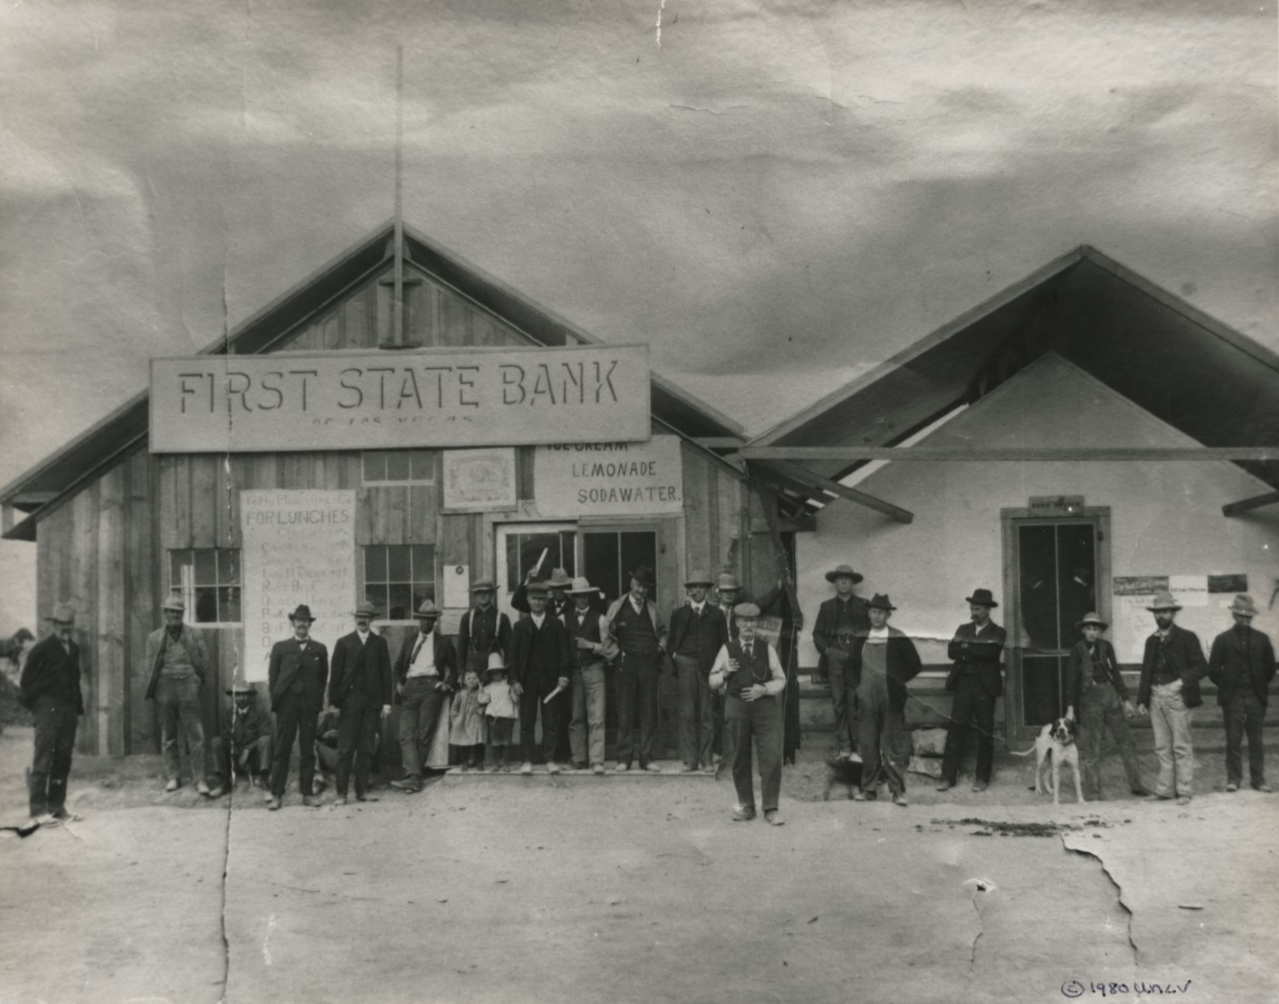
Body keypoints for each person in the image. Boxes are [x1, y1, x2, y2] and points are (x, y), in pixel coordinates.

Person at [708, 602, 787, 825]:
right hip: (737, 707)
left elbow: (781, 679)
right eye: (744, 621)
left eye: (752, 621)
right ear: (737, 623)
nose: (748, 625)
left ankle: (771, 808)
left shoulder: (766, 648)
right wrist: (724, 673)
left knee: (771, 757)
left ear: (757, 623)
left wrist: (764, 689)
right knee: (740, 758)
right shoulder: (727, 649)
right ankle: (746, 806)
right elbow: (712, 681)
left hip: (765, 709)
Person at [1062, 612, 1147, 800]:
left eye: (1096, 629)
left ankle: (1137, 785)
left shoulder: (1106, 647)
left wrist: (1125, 700)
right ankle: (1092, 793)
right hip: (1089, 699)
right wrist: (1070, 707)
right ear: (1083, 630)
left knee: (1126, 741)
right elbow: (1071, 680)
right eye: (1089, 628)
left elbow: (1115, 673)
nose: (1092, 632)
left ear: (1100, 631)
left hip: (1110, 696)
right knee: (1092, 747)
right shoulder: (1077, 650)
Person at [848, 594, 921, 807]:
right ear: (869, 613)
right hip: (866, 700)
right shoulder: (861, 637)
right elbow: (850, 667)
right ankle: (869, 790)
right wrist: (858, 688)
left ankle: (898, 792)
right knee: (869, 745)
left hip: (891, 700)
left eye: (881, 612)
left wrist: (896, 682)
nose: (876, 616)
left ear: (888, 614)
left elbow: (915, 665)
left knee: (892, 747)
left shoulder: (897, 637)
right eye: (873, 612)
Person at [1136, 590, 1206, 806]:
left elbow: (1202, 667)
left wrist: (1180, 682)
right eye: (1158, 612)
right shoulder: (1151, 641)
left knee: (1181, 746)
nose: (1161, 616)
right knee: (1162, 747)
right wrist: (1142, 700)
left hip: (1177, 698)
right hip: (1156, 698)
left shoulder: (1187, 637)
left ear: (1173, 613)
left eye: (1165, 611)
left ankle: (1184, 791)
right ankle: (1165, 790)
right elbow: (1146, 672)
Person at [20, 602, 86, 821]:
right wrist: (39, 709)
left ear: (72, 624)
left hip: (68, 711)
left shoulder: (74, 649)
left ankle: (57, 807)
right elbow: (26, 682)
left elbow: (75, 681)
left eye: (68, 624)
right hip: (47, 709)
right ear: (54, 624)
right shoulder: (42, 649)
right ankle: (38, 811)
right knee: (43, 758)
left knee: (63, 760)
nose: (64, 628)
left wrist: (76, 709)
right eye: (60, 624)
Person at [937, 589, 1007, 794]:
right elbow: (952, 651)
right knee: (956, 731)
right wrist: (972, 651)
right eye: (971, 608)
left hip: (985, 688)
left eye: (977, 609)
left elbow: (990, 652)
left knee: (985, 733)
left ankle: (982, 778)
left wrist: (966, 649)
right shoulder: (963, 628)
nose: (973, 612)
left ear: (987, 610)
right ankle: (947, 778)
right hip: (963, 685)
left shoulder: (998, 632)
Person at [144, 594, 213, 795]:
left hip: (188, 687)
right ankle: (173, 776)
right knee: (168, 735)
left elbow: (205, 660)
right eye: (171, 611)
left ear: (183, 613)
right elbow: (149, 667)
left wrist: (196, 681)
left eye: (178, 611)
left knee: (196, 735)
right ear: (165, 613)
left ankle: (200, 779)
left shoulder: (194, 634)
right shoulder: (154, 637)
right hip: (164, 688)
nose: (174, 614)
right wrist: (157, 688)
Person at [326, 600, 393, 805]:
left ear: (371, 620)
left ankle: (362, 791)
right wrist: (334, 703)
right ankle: (341, 793)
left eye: (366, 617)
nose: (362, 620)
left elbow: (385, 674)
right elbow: (335, 675)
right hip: (350, 702)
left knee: (366, 748)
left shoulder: (379, 643)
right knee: (345, 749)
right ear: (355, 619)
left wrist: (387, 703)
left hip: (372, 703)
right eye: (359, 617)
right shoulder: (344, 642)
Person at [1207, 594, 1276, 793]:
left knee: (1256, 740)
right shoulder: (1222, 640)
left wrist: (1258, 685)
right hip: (1233, 698)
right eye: (1241, 616)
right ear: (1234, 616)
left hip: (1256, 697)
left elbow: (1270, 668)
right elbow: (1213, 670)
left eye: (1248, 617)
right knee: (1233, 739)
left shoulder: (1262, 639)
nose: (1245, 620)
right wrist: (1228, 685)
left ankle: (1258, 780)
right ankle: (1233, 779)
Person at [605, 566, 669, 772]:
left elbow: (664, 633)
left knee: (648, 711)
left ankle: (646, 758)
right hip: (626, 665)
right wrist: (616, 655)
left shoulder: (653, 608)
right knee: (625, 711)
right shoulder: (617, 606)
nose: (641, 590)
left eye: (645, 587)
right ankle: (624, 759)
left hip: (648, 664)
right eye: (638, 585)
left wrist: (659, 648)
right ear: (631, 584)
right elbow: (606, 633)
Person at [267, 604, 330, 811]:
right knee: (282, 748)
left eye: (306, 620)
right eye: (298, 620)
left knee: (307, 750)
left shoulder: (319, 649)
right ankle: (276, 794)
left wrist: (314, 698)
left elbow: (322, 679)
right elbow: (273, 678)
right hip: (287, 705)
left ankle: (307, 793)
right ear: (293, 623)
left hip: (309, 705)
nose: (302, 624)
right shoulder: (280, 647)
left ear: (310, 624)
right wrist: (278, 699)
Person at [391, 599, 457, 793]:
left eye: (430, 620)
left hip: (431, 688)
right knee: (405, 734)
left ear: (435, 621)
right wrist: (399, 685)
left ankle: (412, 777)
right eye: (423, 619)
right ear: (418, 619)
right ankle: (415, 777)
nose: (426, 623)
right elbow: (397, 667)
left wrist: (446, 685)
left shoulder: (443, 643)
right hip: (410, 687)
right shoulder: (410, 640)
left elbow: (455, 669)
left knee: (423, 735)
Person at [508, 581, 572, 774]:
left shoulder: (555, 624)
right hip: (526, 679)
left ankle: (549, 759)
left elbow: (564, 652)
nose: (537, 603)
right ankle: (527, 759)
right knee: (527, 720)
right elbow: (512, 655)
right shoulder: (520, 626)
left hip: (550, 680)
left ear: (547, 601)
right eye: (534, 599)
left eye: (541, 599)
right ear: (528, 600)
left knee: (550, 720)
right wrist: (514, 680)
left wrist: (563, 676)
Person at [668, 570, 728, 774]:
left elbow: (724, 646)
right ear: (689, 590)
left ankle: (707, 760)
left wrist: (720, 672)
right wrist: (676, 658)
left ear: (707, 590)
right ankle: (690, 760)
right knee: (687, 713)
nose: (696, 591)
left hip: (709, 668)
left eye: (701, 587)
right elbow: (671, 644)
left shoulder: (717, 615)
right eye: (693, 587)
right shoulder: (679, 614)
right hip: (686, 666)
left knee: (707, 714)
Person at [811, 563, 871, 756]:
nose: (843, 582)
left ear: (852, 583)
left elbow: (872, 631)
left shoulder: (864, 605)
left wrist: (863, 652)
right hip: (835, 657)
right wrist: (828, 651)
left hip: (857, 659)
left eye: (847, 579)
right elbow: (817, 634)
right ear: (835, 583)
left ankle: (859, 745)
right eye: (840, 579)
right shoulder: (826, 607)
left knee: (858, 701)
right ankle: (844, 744)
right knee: (839, 702)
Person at [562, 576, 618, 774]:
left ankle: (596, 761)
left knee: (596, 716)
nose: (582, 600)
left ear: (589, 596)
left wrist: (591, 646)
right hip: (574, 671)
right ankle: (578, 758)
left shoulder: (600, 618)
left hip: (595, 670)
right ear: (573, 598)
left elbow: (611, 649)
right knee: (576, 716)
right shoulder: (564, 618)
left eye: (585, 596)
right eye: (578, 597)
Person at [210, 681, 274, 798]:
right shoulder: (228, 714)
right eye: (238, 695)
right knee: (216, 741)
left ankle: (264, 781)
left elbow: (265, 733)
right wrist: (237, 753)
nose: (241, 698)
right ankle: (224, 782)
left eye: (245, 695)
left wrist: (247, 750)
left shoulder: (259, 712)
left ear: (250, 697)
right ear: (233, 697)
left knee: (266, 739)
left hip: (254, 757)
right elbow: (226, 738)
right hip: (235, 757)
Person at [456, 580, 512, 678]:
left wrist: (508, 671)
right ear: (475, 595)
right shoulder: (467, 617)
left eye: (486, 592)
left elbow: (509, 648)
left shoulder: (502, 617)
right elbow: (461, 647)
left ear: (492, 594)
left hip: (495, 666)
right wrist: (461, 672)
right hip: (472, 667)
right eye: (479, 593)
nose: (483, 596)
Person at [478, 652, 517, 772]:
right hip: (493, 717)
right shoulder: (489, 686)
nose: (496, 675)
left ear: (503, 672)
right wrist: (480, 689)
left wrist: (515, 692)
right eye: (493, 673)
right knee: (495, 741)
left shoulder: (508, 685)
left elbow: (515, 699)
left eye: (498, 672)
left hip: (507, 716)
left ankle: (505, 763)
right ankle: (495, 763)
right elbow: (482, 700)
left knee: (506, 741)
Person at [449, 669, 486, 770]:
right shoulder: (461, 694)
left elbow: (487, 703)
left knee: (479, 743)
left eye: (474, 678)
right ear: (464, 681)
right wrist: (455, 720)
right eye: (469, 678)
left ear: (478, 680)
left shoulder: (481, 692)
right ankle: (464, 763)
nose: (472, 680)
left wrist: (482, 709)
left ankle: (480, 762)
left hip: (477, 720)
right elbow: (454, 708)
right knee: (464, 743)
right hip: (464, 721)